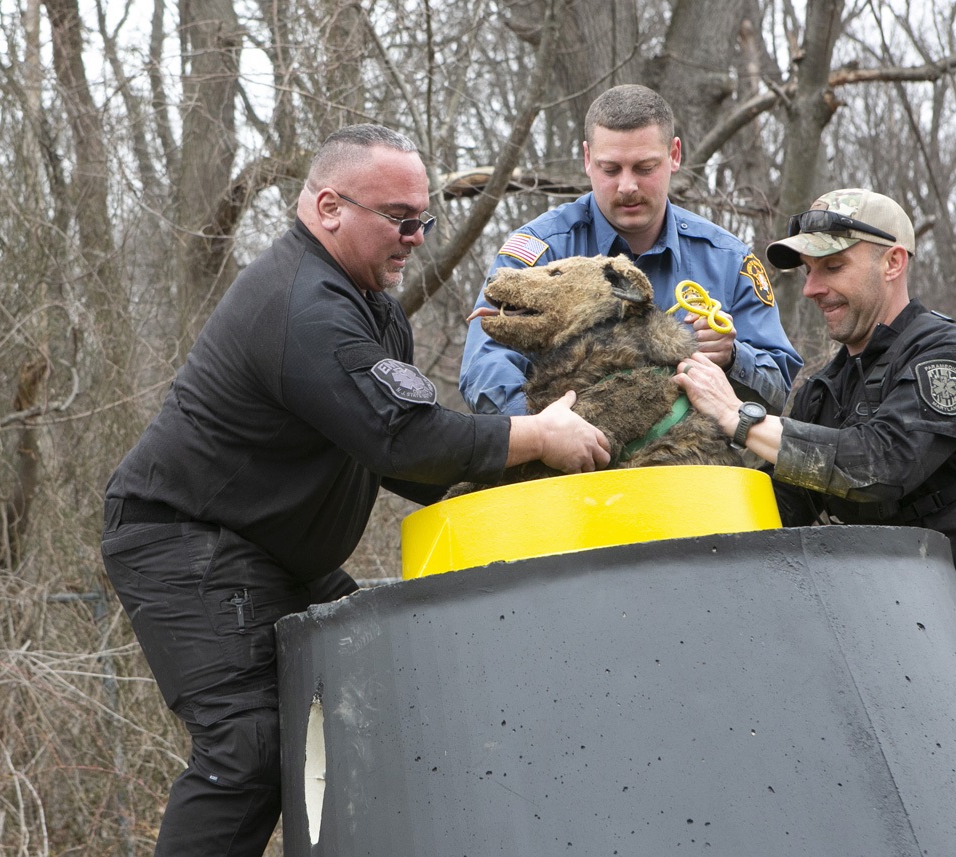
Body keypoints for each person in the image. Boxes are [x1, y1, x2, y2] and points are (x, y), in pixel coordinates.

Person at [100, 124, 610, 857]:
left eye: (423, 219)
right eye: (400, 220)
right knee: (248, 748)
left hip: (276, 552)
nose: (417, 237)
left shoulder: (372, 310)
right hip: (186, 542)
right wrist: (534, 435)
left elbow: (410, 464)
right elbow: (403, 440)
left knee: (385, 683)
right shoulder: (305, 309)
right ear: (330, 207)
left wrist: (529, 486)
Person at [673, 186, 956, 855]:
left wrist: (741, 418)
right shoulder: (823, 390)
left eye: (833, 267)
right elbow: (776, 516)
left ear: (893, 263)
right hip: (910, 645)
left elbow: (879, 464)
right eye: (809, 272)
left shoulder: (946, 358)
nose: (814, 288)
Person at [459, 84, 801, 418]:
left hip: (692, 466)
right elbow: (486, 365)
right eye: (611, 169)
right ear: (588, 159)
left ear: (675, 155)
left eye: (644, 168)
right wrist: (540, 433)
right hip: (569, 465)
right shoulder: (541, 251)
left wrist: (732, 357)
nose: (627, 186)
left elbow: (778, 388)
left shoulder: (727, 260)